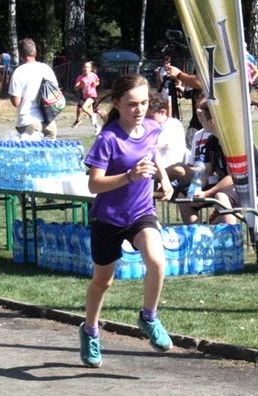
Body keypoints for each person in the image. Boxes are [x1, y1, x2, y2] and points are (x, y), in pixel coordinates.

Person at [79, 74, 174, 368]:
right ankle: (90, 331)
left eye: (144, 103)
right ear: (117, 103)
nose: (139, 109)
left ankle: (149, 317)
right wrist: (129, 176)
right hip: (107, 218)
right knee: (102, 281)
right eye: (132, 104)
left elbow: (153, 151)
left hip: (141, 212)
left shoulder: (151, 128)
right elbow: (94, 185)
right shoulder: (108, 139)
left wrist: (165, 177)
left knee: (157, 261)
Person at [178, 100, 258, 224]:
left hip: (250, 185)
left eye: (202, 117)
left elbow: (233, 177)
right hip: (226, 186)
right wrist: (196, 189)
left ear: (212, 121)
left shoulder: (235, 142)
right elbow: (207, 172)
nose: (200, 120)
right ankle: (199, 235)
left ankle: (230, 240)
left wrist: (207, 193)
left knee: (221, 197)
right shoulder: (211, 141)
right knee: (184, 197)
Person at [9, 38, 59, 139]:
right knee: (49, 154)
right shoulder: (46, 68)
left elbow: (16, 102)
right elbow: (56, 92)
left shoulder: (19, 72)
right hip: (48, 121)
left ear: (21, 55)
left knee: (31, 154)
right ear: (35, 53)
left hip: (28, 121)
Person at [145, 92, 187, 169]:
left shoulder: (172, 125)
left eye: (150, 117)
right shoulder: (157, 127)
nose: (146, 121)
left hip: (170, 173)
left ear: (162, 112)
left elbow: (152, 147)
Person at [166, 65, 203, 148]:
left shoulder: (205, 57)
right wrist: (185, 92)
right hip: (200, 119)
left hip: (203, 120)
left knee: (191, 149)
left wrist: (179, 75)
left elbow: (199, 82)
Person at [72, 61, 101, 134]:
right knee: (79, 109)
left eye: (87, 67)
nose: (85, 68)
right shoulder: (80, 77)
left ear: (91, 69)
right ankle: (96, 127)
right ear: (82, 68)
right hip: (84, 96)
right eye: (84, 67)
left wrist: (95, 84)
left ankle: (93, 115)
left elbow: (98, 82)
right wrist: (80, 85)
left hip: (92, 96)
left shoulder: (93, 75)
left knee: (85, 108)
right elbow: (75, 88)